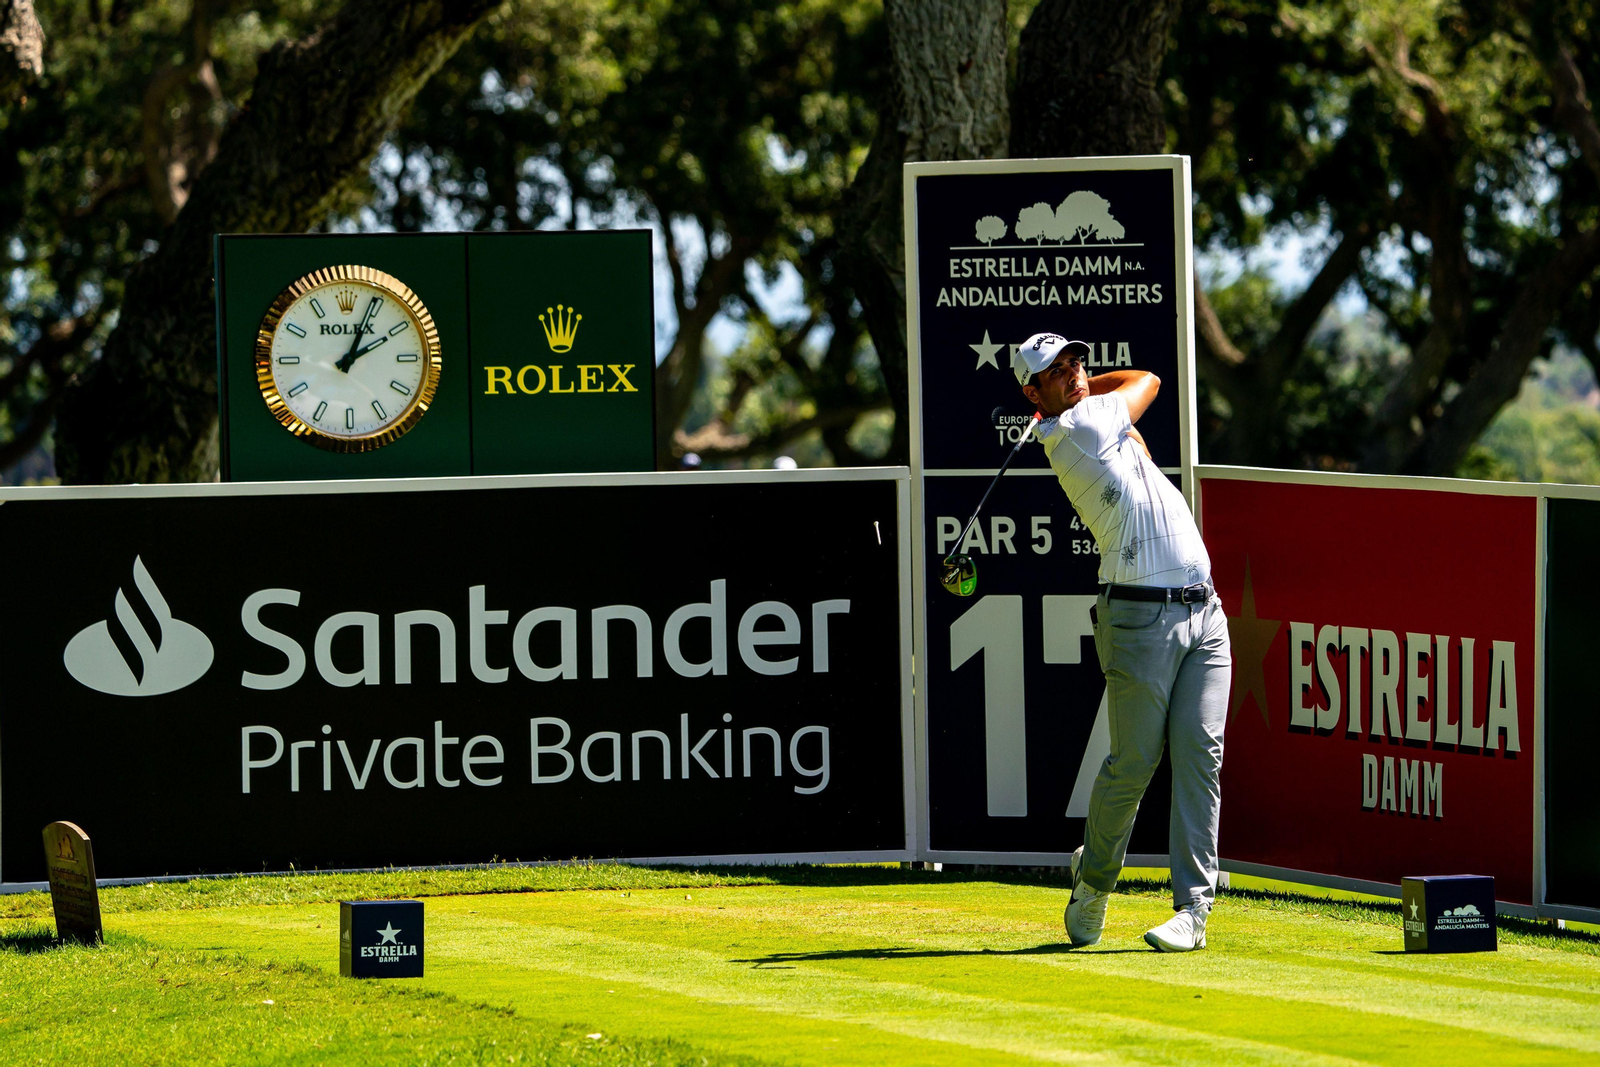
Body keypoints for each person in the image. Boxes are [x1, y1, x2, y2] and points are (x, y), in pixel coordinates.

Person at [1013, 332, 1232, 953]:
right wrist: (1079, 396)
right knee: (1133, 763)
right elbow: (1149, 380)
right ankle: (1094, 883)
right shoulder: (1080, 430)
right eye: (1055, 373)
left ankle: (1193, 909)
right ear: (1032, 392)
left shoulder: (1084, 415)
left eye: (1075, 362)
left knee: (1200, 754)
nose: (1076, 374)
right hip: (1139, 620)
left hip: (1204, 611)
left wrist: (1071, 389)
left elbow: (1131, 384)